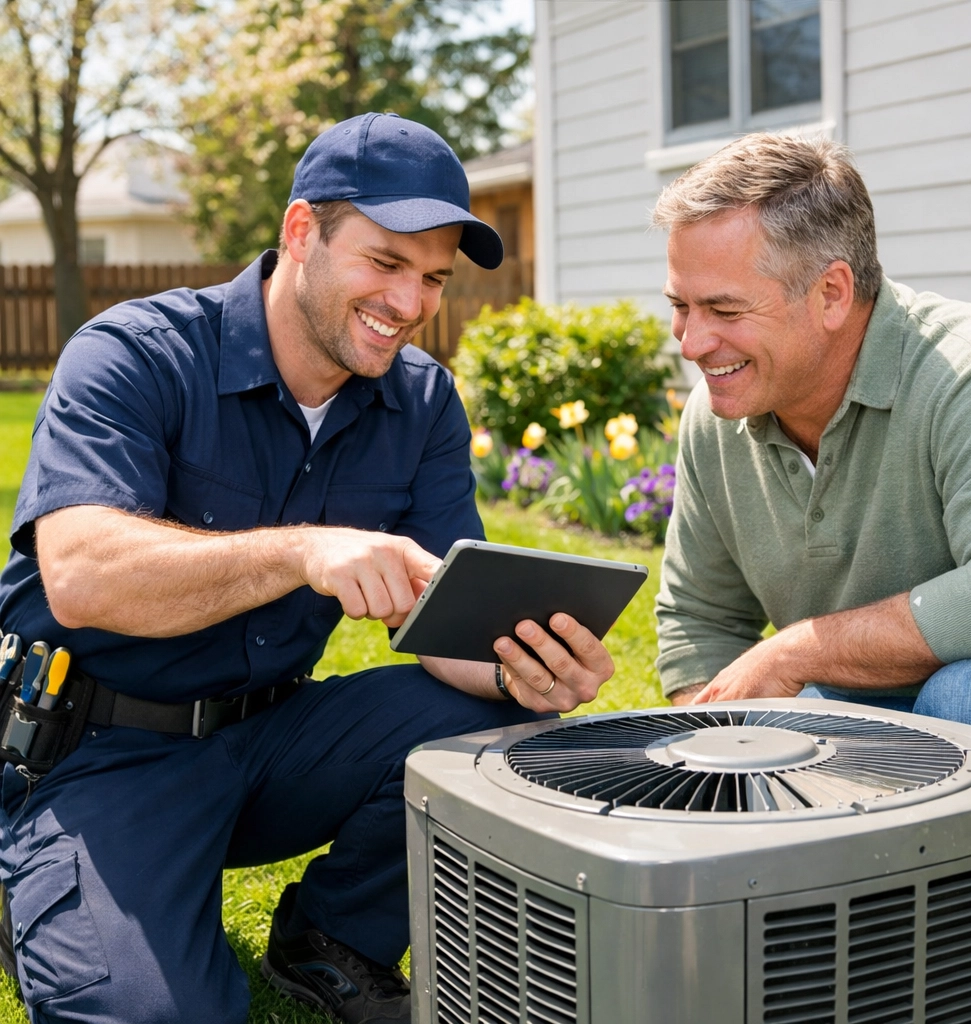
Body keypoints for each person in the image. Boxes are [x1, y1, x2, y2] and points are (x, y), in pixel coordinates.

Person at [0, 112, 614, 1024]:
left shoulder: (421, 403)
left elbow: (445, 618)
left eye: (433, 278)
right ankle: (42, 878)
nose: (409, 303)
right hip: (103, 752)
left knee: (498, 725)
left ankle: (332, 938)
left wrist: (525, 671)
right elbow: (83, 575)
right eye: (386, 262)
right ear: (301, 232)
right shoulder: (135, 354)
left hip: (273, 740)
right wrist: (302, 550)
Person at [652, 132, 971, 734]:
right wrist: (721, 751)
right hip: (854, 705)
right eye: (680, 306)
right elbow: (701, 620)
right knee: (784, 721)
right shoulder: (715, 416)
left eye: (724, 310)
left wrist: (797, 650)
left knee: (969, 695)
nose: (692, 344)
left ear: (831, 293)